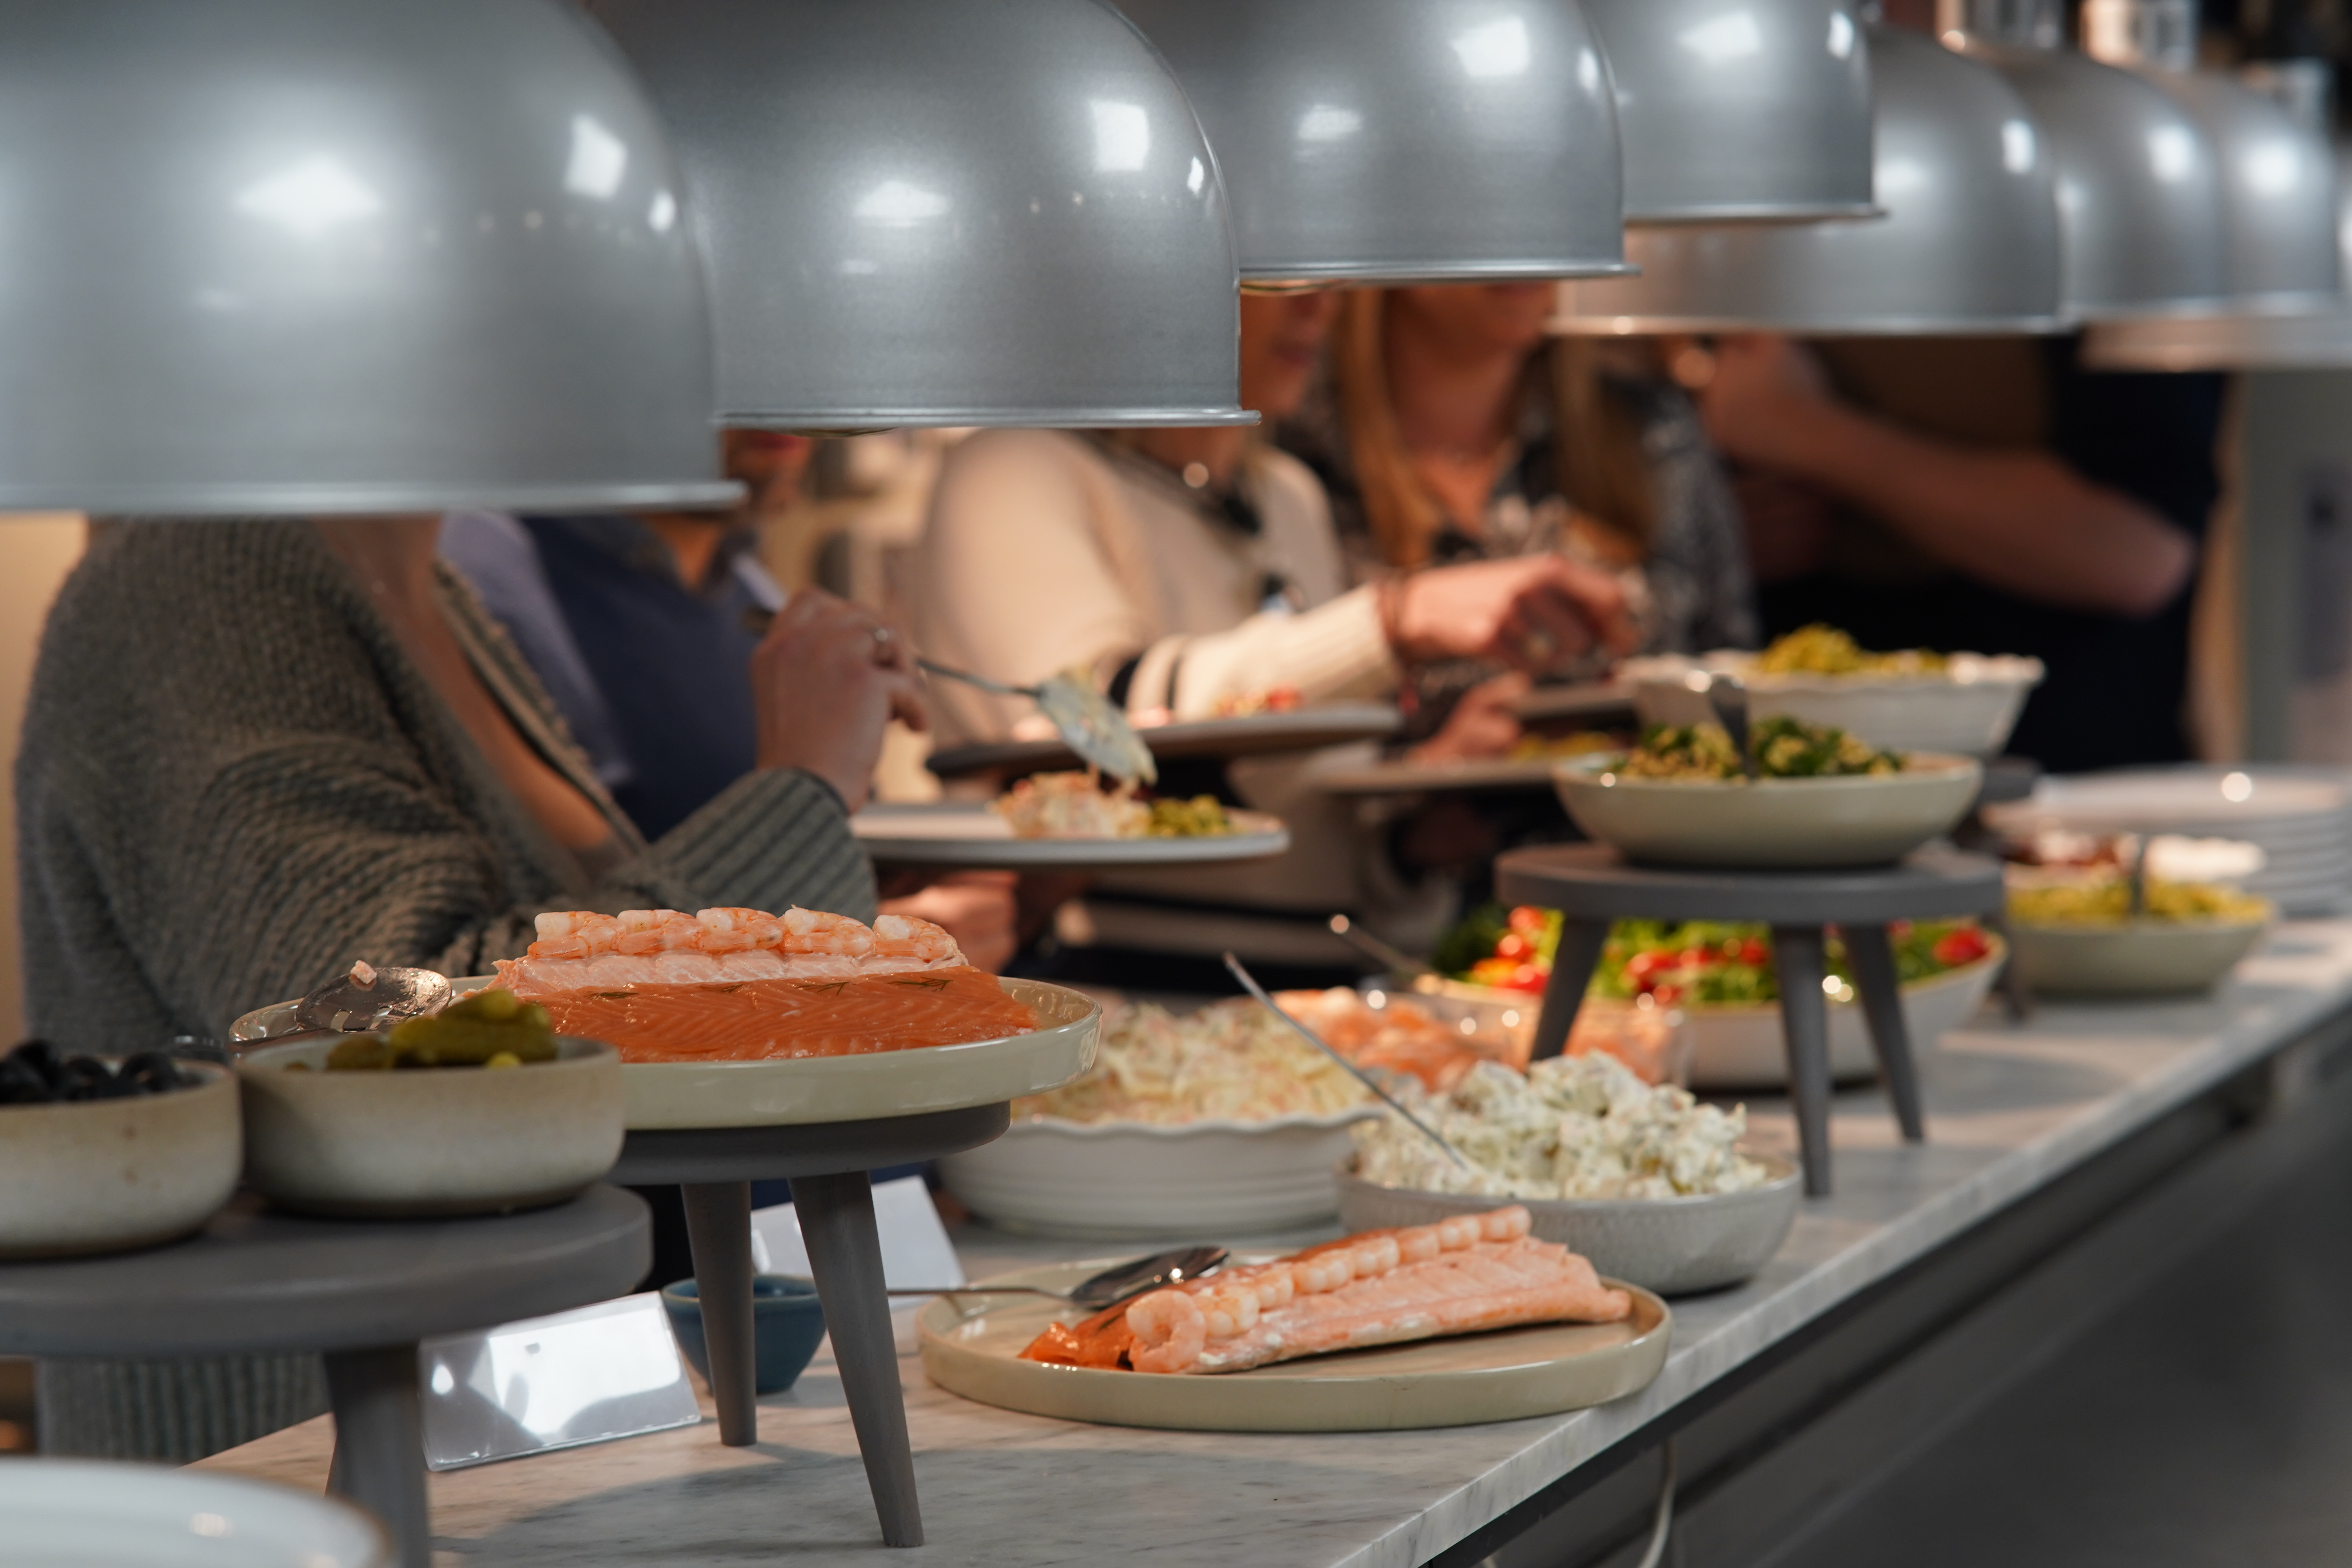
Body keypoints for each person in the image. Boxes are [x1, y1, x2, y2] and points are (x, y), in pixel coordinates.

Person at [15, 512, 924, 1459]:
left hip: (466, 1443)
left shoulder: (420, 582)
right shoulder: (204, 576)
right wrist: (805, 785)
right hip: (283, 1470)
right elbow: (374, 1035)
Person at [911, 290, 1633, 980]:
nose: (1315, 306)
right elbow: (1096, 723)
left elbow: (1297, 839)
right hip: (1108, 1006)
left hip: (1308, 1012)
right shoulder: (1011, 468)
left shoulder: (1288, 496)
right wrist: (1392, 620)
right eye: (1258, 277)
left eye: (1316, 278)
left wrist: (1416, 838)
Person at [440, 430, 1015, 968]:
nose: (780, 406)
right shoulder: (467, 585)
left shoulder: (751, 594)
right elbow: (500, 954)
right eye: (722, 341)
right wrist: (842, 945)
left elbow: (817, 844)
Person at [1691, 333, 2224, 771]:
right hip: (1779, 769)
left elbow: (2137, 552)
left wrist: (1806, 431)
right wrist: (1709, 532)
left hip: (2057, 773)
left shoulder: (2102, 228)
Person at [1281, 284, 1759, 748]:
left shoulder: (1651, 430)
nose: (1529, 243)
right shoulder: (1296, 461)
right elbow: (1259, 727)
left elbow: (1737, 669)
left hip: (1651, 820)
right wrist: (1430, 775)